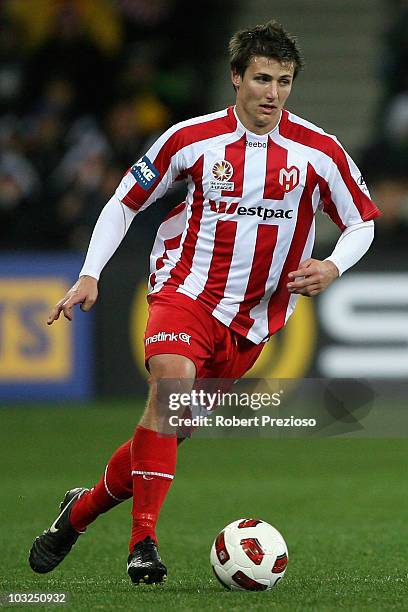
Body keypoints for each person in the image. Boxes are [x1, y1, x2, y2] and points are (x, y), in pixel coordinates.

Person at [28, 20, 380, 585]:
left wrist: (333, 264)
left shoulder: (318, 151)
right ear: (236, 77)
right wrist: (90, 273)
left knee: (169, 428)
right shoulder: (190, 139)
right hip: (183, 292)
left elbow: (362, 222)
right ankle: (144, 542)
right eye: (262, 78)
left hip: (253, 321)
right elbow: (125, 201)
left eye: (284, 82)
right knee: (169, 393)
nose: (272, 93)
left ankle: (81, 510)